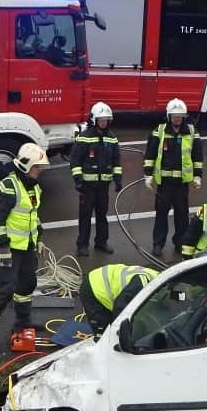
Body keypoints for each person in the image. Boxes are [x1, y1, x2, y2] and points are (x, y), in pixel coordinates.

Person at [0, 143, 47, 354]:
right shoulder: (8, 186)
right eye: (37, 167)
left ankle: (23, 323)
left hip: (27, 247)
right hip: (10, 249)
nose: (40, 171)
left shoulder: (34, 186)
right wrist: (3, 248)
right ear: (26, 167)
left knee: (27, 284)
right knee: (4, 289)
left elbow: (33, 216)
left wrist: (38, 239)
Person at [143, 99, 203, 257]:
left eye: (180, 116)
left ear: (184, 116)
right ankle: (158, 244)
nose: (177, 118)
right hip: (164, 184)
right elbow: (150, 155)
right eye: (174, 116)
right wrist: (148, 174)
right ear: (169, 116)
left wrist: (198, 176)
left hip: (181, 184)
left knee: (182, 216)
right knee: (161, 215)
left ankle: (180, 243)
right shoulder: (159, 131)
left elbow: (197, 156)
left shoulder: (191, 132)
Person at [71, 102, 122, 257]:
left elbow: (116, 160)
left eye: (106, 120)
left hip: (103, 186)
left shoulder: (112, 138)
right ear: (94, 120)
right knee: (85, 217)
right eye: (101, 120)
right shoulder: (84, 138)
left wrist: (118, 179)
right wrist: (78, 180)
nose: (104, 122)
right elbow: (75, 161)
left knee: (102, 215)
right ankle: (82, 245)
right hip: (87, 186)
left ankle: (101, 242)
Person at [80, 264, 159, 337]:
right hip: (93, 288)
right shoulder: (142, 286)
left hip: (105, 281)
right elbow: (120, 310)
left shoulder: (159, 278)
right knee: (104, 334)